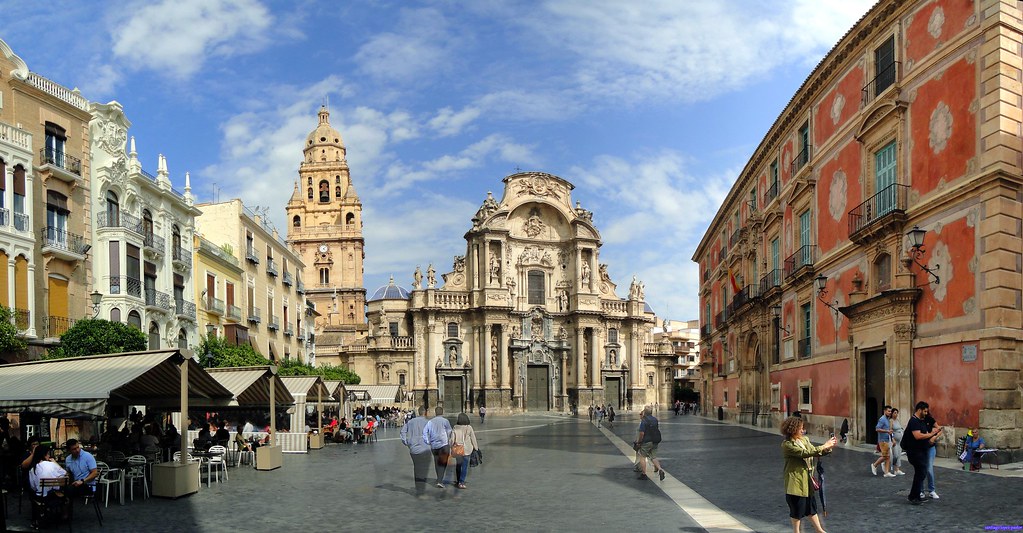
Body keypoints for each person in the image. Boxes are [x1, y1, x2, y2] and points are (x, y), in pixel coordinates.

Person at [781, 416, 835, 533]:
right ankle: (796, 531)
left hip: (807, 481)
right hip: (795, 482)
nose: (802, 430)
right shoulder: (787, 445)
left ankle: (820, 530)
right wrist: (824, 445)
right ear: (793, 429)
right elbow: (805, 453)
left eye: (802, 428)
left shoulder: (804, 440)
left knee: (811, 507)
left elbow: (813, 450)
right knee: (797, 510)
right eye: (800, 428)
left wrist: (827, 448)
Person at [903, 401, 942, 505]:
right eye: (924, 411)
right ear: (919, 410)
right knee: (921, 472)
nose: (926, 413)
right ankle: (913, 496)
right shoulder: (914, 421)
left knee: (920, 473)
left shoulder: (920, 420)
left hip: (920, 451)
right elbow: (918, 436)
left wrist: (932, 435)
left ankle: (915, 495)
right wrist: (931, 434)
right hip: (914, 452)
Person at [400, 407, 432, 498]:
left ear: (418, 412)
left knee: (417, 469)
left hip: (413, 449)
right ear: (425, 413)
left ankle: (419, 490)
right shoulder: (428, 423)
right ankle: (421, 492)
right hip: (425, 449)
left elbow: (402, 431)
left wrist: (406, 442)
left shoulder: (410, 422)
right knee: (424, 470)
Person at [423, 406, 453, 488]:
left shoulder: (430, 422)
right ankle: (440, 480)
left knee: (437, 462)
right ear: (442, 412)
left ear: (435, 413)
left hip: (434, 445)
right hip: (444, 445)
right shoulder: (445, 421)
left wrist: (427, 441)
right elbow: (450, 431)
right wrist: (448, 438)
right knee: (443, 462)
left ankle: (438, 479)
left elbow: (425, 432)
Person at [634, 406, 665, 481]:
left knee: (642, 457)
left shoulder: (644, 421)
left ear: (645, 412)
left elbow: (641, 433)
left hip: (646, 441)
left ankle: (644, 474)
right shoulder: (655, 419)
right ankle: (660, 469)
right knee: (653, 457)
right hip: (655, 441)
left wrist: (639, 442)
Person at [450, 413, 479, 490]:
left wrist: (451, 445)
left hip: (458, 449)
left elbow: (452, 439)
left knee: (458, 465)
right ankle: (461, 482)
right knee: (464, 466)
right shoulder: (469, 427)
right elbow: (473, 438)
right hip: (467, 449)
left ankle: (458, 480)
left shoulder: (455, 427)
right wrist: (476, 448)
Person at [871, 405, 895, 477]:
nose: (890, 412)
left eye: (890, 411)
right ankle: (874, 465)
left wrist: (892, 437)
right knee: (885, 456)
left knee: (887, 456)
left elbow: (889, 430)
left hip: (887, 439)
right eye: (888, 411)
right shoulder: (882, 419)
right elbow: (877, 429)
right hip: (883, 440)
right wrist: (887, 431)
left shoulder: (887, 419)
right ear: (884, 411)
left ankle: (887, 472)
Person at [923, 412, 940, 499]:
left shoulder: (930, 419)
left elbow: (939, 429)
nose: (925, 413)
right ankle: (921, 491)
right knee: (921, 469)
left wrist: (934, 437)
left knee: (929, 469)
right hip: (921, 448)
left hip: (930, 447)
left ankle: (931, 490)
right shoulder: (917, 421)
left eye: (926, 411)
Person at [889, 408, 906, 475]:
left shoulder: (898, 420)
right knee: (895, 455)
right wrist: (892, 439)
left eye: (897, 413)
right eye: (895, 413)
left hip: (900, 441)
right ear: (892, 413)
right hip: (895, 441)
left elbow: (900, 428)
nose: (896, 414)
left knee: (899, 455)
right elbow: (890, 431)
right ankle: (886, 464)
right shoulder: (891, 421)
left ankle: (897, 470)